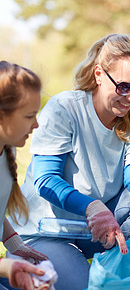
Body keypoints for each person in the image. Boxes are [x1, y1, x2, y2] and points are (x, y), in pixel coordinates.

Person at [9, 34, 130, 290]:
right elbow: (45, 180)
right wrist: (91, 206)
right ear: (98, 74)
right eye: (125, 87)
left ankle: (124, 264)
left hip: (96, 227)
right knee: (84, 287)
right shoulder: (65, 109)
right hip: (46, 232)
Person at [0, 61, 52, 290]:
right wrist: (6, 267)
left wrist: (15, 244)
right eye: (30, 116)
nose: (37, 124)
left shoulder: (6, 149)